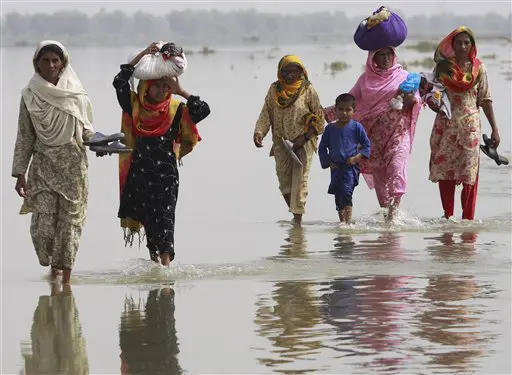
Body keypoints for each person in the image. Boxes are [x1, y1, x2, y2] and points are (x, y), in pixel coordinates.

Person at [113, 42, 210, 266]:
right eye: (158, 85)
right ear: (146, 86)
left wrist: (181, 91)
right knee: (149, 221)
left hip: (166, 176)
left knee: (165, 220)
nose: (163, 90)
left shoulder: (176, 109)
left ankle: (165, 267)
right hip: (140, 175)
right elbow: (119, 81)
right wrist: (143, 55)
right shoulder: (134, 106)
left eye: (166, 86)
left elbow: (203, 110)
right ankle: (155, 263)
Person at [12, 40, 95, 284]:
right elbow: (25, 135)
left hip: (73, 167)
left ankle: (63, 286)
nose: (51, 65)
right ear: (37, 64)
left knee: (69, 227)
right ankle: (53, 269)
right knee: (42, 229)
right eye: (46, 60)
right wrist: (19, 173)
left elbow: (86, 130)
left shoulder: (76, 94)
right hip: (43, 167)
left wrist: (105, 143)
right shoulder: (29, 95)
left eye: (55, 60)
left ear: (63, 63)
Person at [427, 27, 500, 220]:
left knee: (469, 174)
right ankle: (448, 217)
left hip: (470, 126)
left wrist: (495, 129)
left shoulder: (479, 68)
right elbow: (433, 94)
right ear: (452, 45)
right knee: (445, 171)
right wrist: (432, 102)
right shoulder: (443, 68)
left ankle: (468, 220)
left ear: (472, 46)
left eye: (466, 42)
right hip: (446, 125)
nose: (462, 46)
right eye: (458, 42)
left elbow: (485, 99)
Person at [348, 47, 422, 221]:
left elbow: (416, 100)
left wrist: (410, 98)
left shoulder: (405, 77)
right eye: (380, 54)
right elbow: (349, 101)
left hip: (399, 133)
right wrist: (323, 114)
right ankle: (388, 222)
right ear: (373, 58)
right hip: (373, 136)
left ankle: (395, 210)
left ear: (394, 55)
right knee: (380, 177)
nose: (385, 58)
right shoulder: (365, 80)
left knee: (397, 167)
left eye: (389, 54)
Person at [253, 55, 325, 225]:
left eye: (296, 71)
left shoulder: (308, 89)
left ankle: (298, 223)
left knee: (300, 182)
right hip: (281, 141)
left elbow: (320, 119)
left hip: (304, 141)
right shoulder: (274, 90)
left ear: (301, 72)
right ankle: (295, 215)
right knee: (284, 182)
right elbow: (266, 113)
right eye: (288, 71)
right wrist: (259, 132)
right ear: (281, 72)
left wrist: (306, 136)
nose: (292, 75)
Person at [318, 93, 371, 224]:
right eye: (341, 109)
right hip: (335, 168)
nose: (344, 113)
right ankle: (342, 222)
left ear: (354, 111)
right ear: (335, 110)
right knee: (338, 195)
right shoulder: (330, 128)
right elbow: (322, 148)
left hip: (350, 167)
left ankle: (348, 223)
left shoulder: (356, 127)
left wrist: (356, 157)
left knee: (346, 192)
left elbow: (366, 145)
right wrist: (328, 163)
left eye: (348, 110)